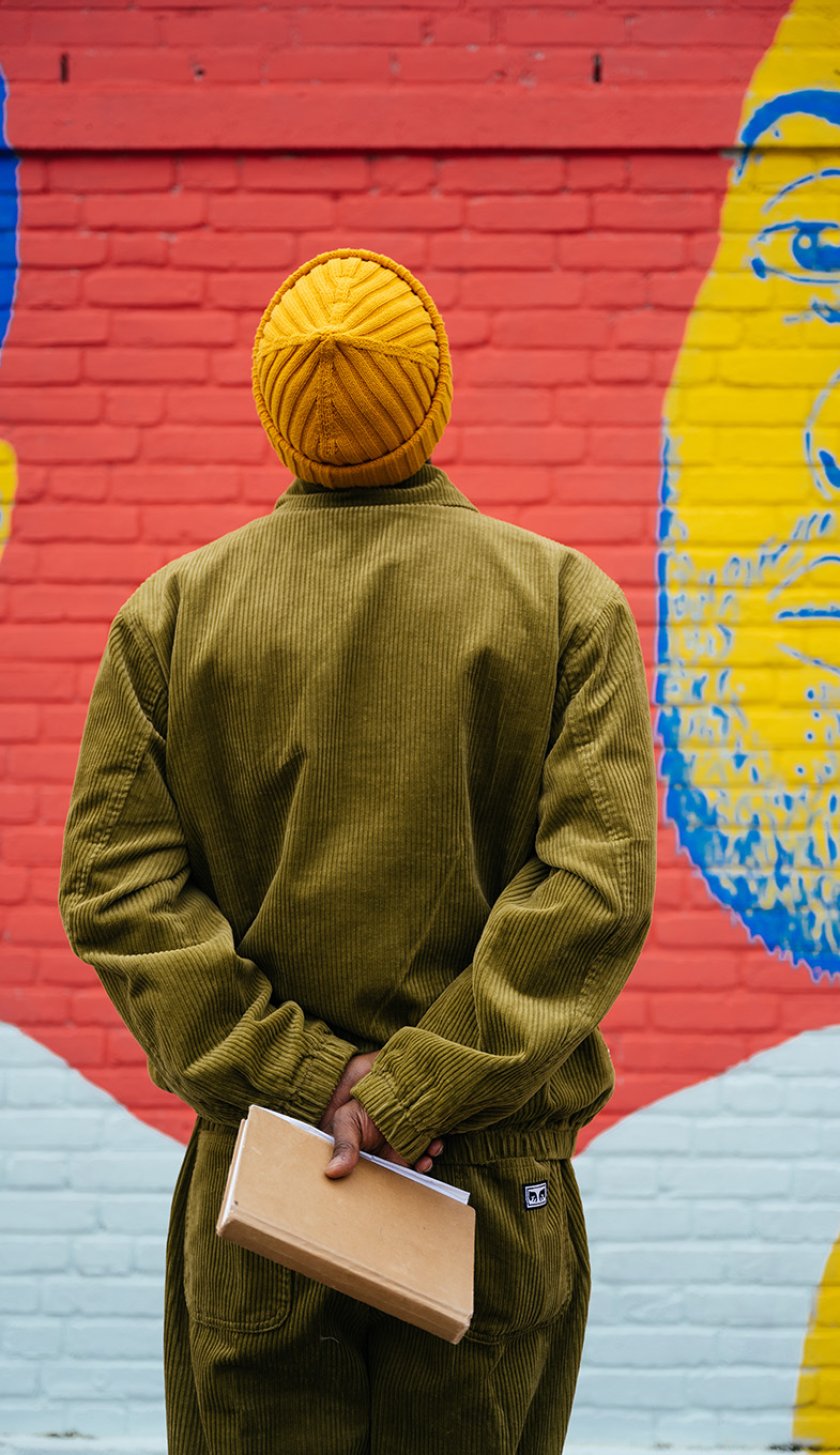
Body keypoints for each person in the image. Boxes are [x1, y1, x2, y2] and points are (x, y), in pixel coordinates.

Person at [59, 247, 658, 1454]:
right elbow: (595, 891)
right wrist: (412, 1092)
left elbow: (113, 892)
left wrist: (310, 1079)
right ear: (433, 396)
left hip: (271, 1195)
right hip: (491, 1188)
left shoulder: (171, 621)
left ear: (275, 411)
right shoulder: (563, 606)